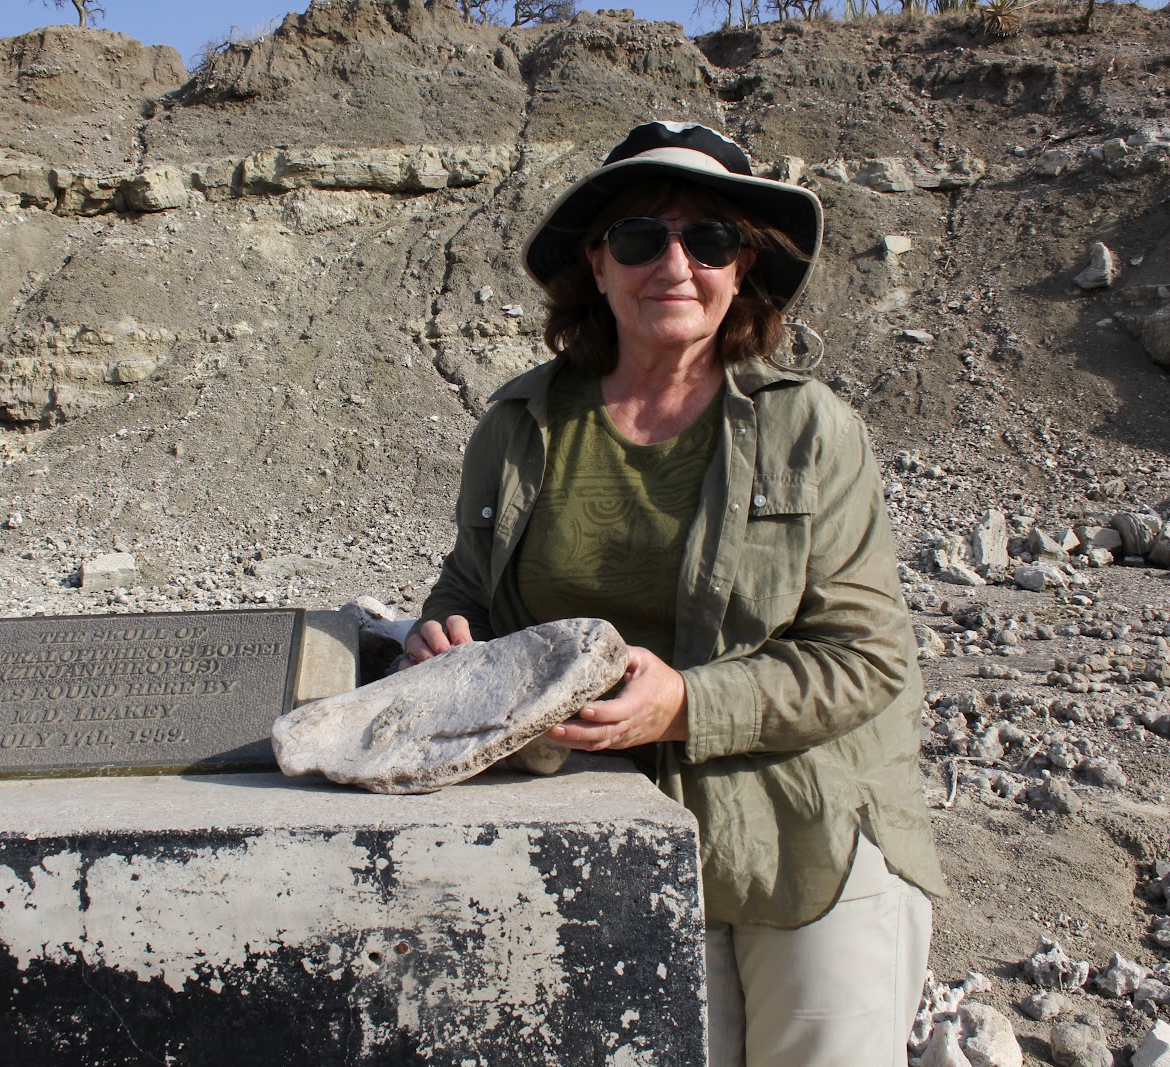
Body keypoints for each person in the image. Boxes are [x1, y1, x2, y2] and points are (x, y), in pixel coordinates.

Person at [403, 120, 946, 1067]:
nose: (676, 263)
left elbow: (866, 658)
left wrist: (686, 703)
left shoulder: (812, 431)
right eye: (642, 237)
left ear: (744, 271)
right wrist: (442, 638)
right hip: (593, 823)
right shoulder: (518, 425)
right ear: (599, 265)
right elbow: (469, 589)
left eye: (712, 239)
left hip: (801, 828)